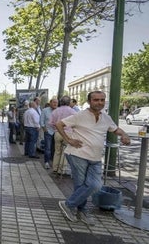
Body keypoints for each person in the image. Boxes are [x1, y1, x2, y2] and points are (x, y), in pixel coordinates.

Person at [56, 91, 130, 226]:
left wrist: (124, 134)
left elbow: (115, 129)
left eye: (102, 100)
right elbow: (59, 124)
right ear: (89, 101)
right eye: (96, 100)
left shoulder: (106, 118)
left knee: (94, 185)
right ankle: (82, 211)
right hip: (78, 154)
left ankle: (68, 205)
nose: (99, 103)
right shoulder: (80, 115)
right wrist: (68, 140)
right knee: (81, 185)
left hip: (95, 157)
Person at [50, 96, 77, 174]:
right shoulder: (72, 112)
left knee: (57, 151)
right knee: (65, 152)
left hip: (57, 133)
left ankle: (55, 168)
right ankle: (61, 169)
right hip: (68, 133)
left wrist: (55, 129)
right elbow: (76, 123)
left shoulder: (55, 111)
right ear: (69, 102)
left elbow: (51, 123)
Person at [40, 98, 58, 169]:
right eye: (54, 102)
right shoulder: (45, 110)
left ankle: (54, 162)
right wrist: (45, 130)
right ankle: (46, 162)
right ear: (50, 103)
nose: (55, 104)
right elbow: (41, 121)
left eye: (56, 103)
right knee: (48, 148)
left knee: (55, 148)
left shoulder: (58, 111)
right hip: (48, 132)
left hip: (56, 132)